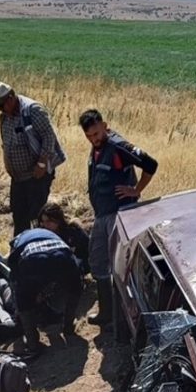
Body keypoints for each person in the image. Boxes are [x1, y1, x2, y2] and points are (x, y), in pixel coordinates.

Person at [79, 109, 158, 330]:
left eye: (96, 133)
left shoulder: (118, 147)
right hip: (102, 215)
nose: (94, 139)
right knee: (98, 262)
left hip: (120, 215)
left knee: (119, 267)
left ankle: (123, 320)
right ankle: (106, 312)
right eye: (89, 136)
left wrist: (136, 190)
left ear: (105, 126)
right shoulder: (97, 149)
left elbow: (151, 164)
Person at [0, 81, 66, 236]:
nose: (0, 109)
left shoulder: (32, 110)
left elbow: (48, 136)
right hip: (18, 178)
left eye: (1, 105)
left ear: (11, 98)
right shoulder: (5, 117)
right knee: (19, 215)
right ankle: (20, 251)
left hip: (36, 176)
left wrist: (42, 163)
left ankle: (38, 249)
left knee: (36, 217)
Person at [8, 228, 82, 353]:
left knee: (23, 296)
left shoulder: (18, 241)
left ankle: (32, 343)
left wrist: (23, 299)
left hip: (33, 259)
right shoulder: (49, 234)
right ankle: (68, 327)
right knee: (74, 287)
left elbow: (14, 272)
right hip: (62, 255)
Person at [38, 207, 91, 275]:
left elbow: (87, 251)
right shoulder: (42, 235)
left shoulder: (72, 232)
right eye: (43, 222)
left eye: (49, 221)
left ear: (57, 220)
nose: (45, 225)